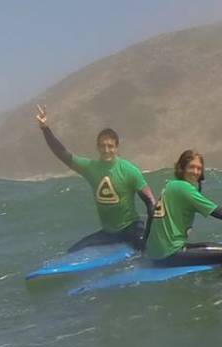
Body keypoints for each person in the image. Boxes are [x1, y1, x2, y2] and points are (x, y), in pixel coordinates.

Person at [34, 104, 156, 251]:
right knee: (74, 251)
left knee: (144, 247)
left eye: (110, 146)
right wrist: (45, 128)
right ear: (97, 147)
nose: (106, 150)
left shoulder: (129, 170)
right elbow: (62, 153)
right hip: (109, 233)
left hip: (131, 228)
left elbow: (149, 200)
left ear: (117, 147)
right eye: (102, 146)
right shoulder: (90, 168)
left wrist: (152, 230)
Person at [142, 150, 222, 268]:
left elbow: (152, 214)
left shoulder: (171, 185)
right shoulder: (184, 188)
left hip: (155, 253)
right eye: (191, 167)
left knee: (212, 249)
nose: (196, 172)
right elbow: (217, 211)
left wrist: (145, 247)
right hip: (169, 253)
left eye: (199, 168)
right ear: (182, 168)